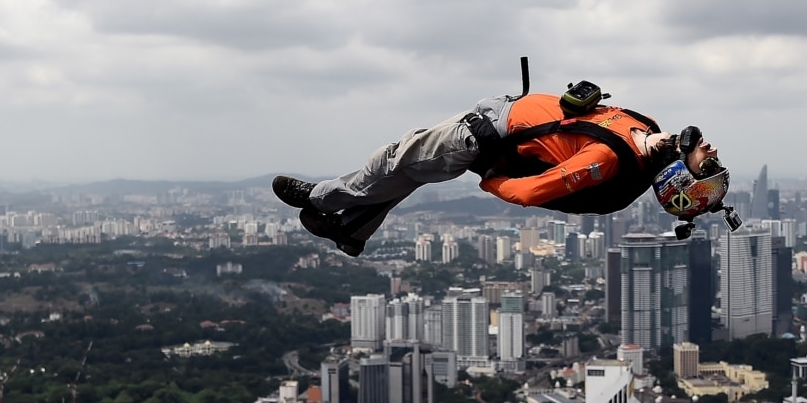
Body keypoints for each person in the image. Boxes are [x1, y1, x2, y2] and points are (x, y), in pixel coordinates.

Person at [273, 87, 730, 256]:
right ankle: (352, 230)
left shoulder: (606, 161)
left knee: (393, 161)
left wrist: (492, 178)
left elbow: (532, 192)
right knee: (408, 174)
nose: (709, 150)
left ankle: (320, 198)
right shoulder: (646, 130)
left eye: (706, 164)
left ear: (682, 177)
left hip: (484, 136)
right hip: (498, 117)